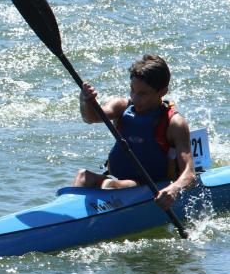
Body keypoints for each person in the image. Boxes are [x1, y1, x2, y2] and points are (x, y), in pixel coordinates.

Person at [72, 54, 195, 210]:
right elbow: (90, 118)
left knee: (110, 186)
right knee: (83, 175)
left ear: (162, 91)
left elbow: (190, 174)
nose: (135, 98)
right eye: (132, 90)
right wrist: (85, 101)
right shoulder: (121, 106)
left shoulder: (174, 123)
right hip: (116, 178)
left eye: (143, 94)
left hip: (149, 186)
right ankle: (70, 215)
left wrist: (174, 189)